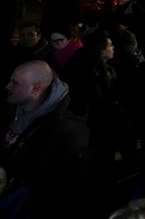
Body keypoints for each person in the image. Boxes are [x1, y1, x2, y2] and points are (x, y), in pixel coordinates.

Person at [1, 60, 90, 216]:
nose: (7, 86)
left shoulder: (67, 130)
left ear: (35, 88)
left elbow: (62, 187)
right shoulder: (12, 104)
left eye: (15, 83)